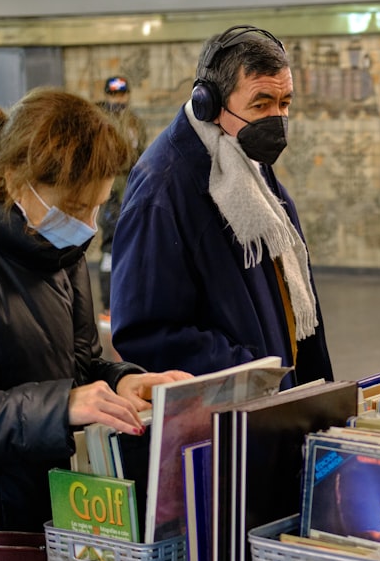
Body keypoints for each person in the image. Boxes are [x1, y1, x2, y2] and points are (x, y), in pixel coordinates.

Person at [0, 88, 191, 533]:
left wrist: (120, 381)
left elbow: (79, 364)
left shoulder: (56, 247)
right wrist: (58, 408)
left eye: (98, 206)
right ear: (15, 180)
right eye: (73, 208)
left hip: (51, 515)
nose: (88, 225)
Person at [110, 25, 333, 387]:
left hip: (275, 401)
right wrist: (251, 373)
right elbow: (146, 333)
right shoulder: (162, 191)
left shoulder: (245, 163)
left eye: (285, 103)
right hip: (229, 419)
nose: (276, 119)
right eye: (260, 104)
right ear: (208, 104)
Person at [96, 75, 147, 314]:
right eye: (114, 94)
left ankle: (133, 300)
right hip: (107, 194)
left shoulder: (134, 123)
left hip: (131, 190)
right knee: (110, 247)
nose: (119, 99)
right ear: (107, 95)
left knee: (134, 244)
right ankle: (108, 303)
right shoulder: (98, 121)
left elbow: (142, 156)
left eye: (122, 94)